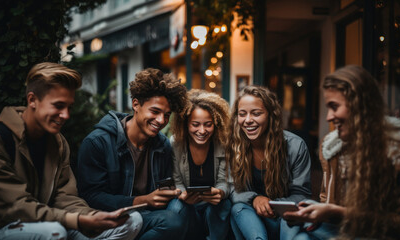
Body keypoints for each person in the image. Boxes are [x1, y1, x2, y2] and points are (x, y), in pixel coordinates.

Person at [0, 62, 142, 240]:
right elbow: (16, 207)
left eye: (69, 107)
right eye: (58, 106)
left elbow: (65, 197)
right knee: (54, 233)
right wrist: (77, 220)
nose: (66, 115)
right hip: (4, 228)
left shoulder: (58, 142)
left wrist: (90, 216)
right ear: (32, 100)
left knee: (132, 220)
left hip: (53, 221)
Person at [283, 65, 400, 239]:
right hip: (345, 229)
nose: (328, 117)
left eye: (334, 106)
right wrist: (318, 210)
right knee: (294, 230)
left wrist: (337, 212)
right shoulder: (335, 148)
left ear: (359, 105)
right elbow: (330, 202)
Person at [76, 68, 188, 240]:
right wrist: (142, 200)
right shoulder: (98, 142)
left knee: (180, 213)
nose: (161, 121)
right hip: (107, 219)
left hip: (147, 216)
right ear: (136, 104)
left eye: (167, 115)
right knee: (171, 221)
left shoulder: (162, 144)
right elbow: (91, 196)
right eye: (155, 111)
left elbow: (164, 187)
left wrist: (176, 191)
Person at [226, 85, 312, 240]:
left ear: (271, 115)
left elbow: (302, 194)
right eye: (242, 114)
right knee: (238, 208)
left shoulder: (295, 146)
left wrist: (271, 204)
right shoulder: (234, 146)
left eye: (256, 113)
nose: (248, 120)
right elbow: (232, 189)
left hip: (286, 216)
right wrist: (255, 198)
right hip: (252, 217)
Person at [167, 89, 232, 240]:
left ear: (216, 123)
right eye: (195, 124)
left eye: (208, 125)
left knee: (225, 204)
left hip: (212, 205)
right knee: (175, 207)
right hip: (187, 204)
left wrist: (220, 193)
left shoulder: (222, 144)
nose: (202, 131)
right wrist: (182, 194)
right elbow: (176, 179)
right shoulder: (176, 143)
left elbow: (225, 181)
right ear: (185, 124)